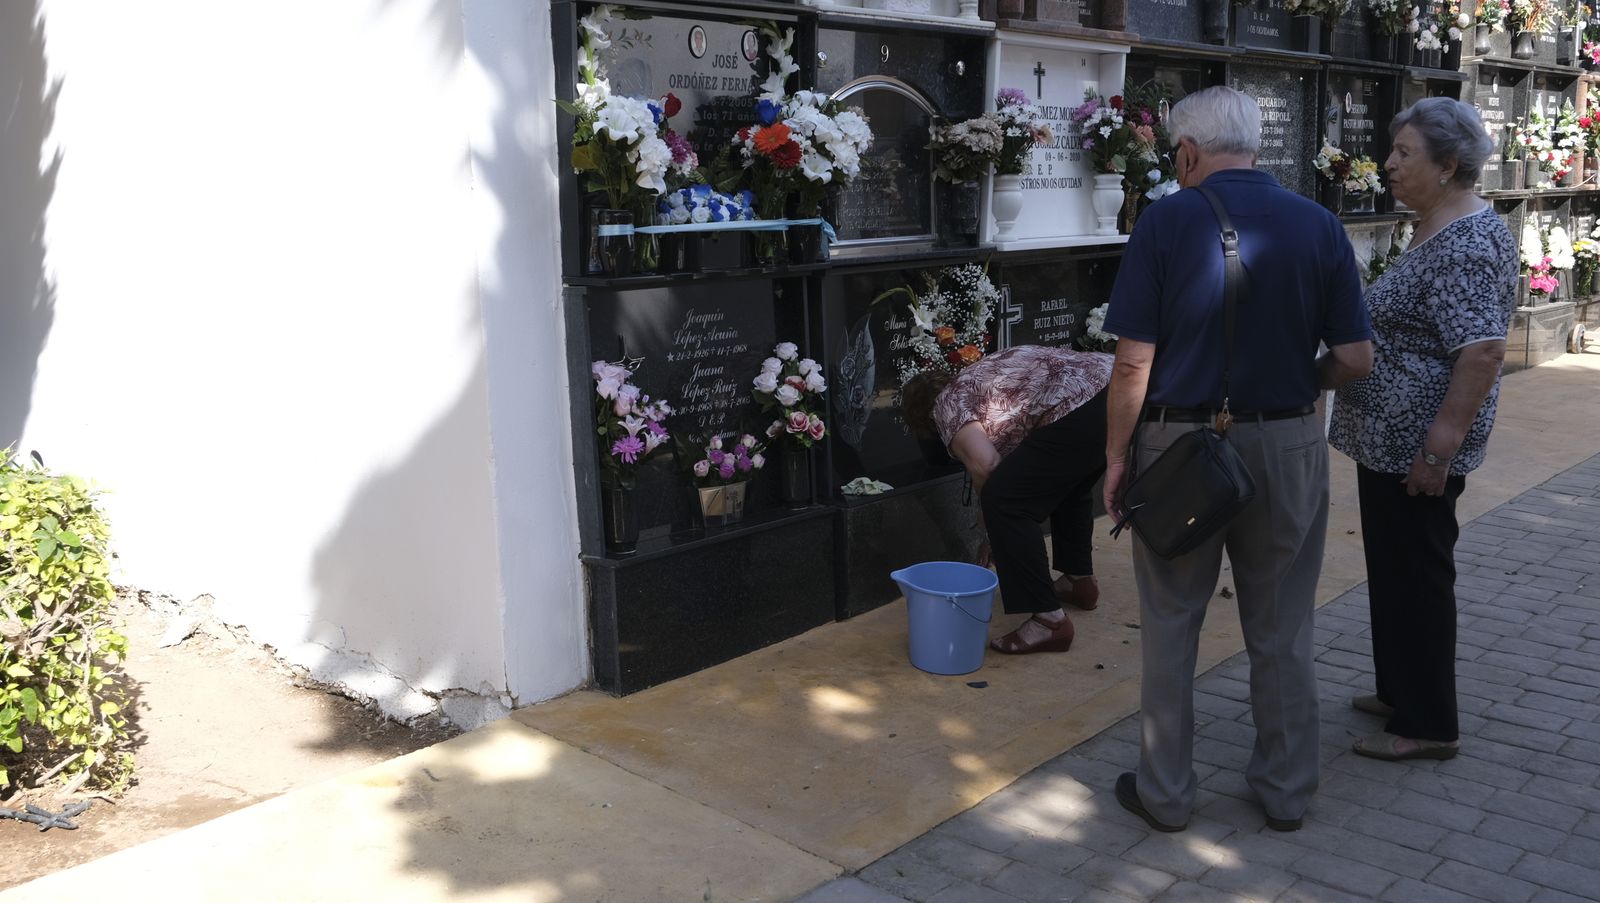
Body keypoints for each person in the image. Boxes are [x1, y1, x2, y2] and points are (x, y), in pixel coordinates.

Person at [1100, 86, 1374, 834]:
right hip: (1287, 442)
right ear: (1258, 146)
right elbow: (1355, 355)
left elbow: (1132, 364)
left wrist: (1116, 459)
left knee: (1171, 619)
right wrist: (1302, 385)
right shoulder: (1319, 224)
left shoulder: (1166, 220)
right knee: (1283, 625)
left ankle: (1166, 792)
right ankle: (1286, 790)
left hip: (1180, 445)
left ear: (1187, 153)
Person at [1330, 98, 1516, 762]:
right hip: (1388, 440)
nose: (1388, 164)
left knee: (1419, 575)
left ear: (1448, 165)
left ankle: (1430, 721)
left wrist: (1439, 448)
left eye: (1405, 154)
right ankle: (1399, 690)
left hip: (1417, 447)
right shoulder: (1433, 226)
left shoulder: (1467, 242)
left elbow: (1483, 351)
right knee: (1394, 566)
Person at [901, 344, 1112, 654]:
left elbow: (987, 467)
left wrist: (996, 534)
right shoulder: (980, 377)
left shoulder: (947, 404)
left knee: (1005, 500)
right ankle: (1078, 581)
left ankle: (1048, 621)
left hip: (1083, 405)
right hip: (1120, 387)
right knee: (1069, 484)